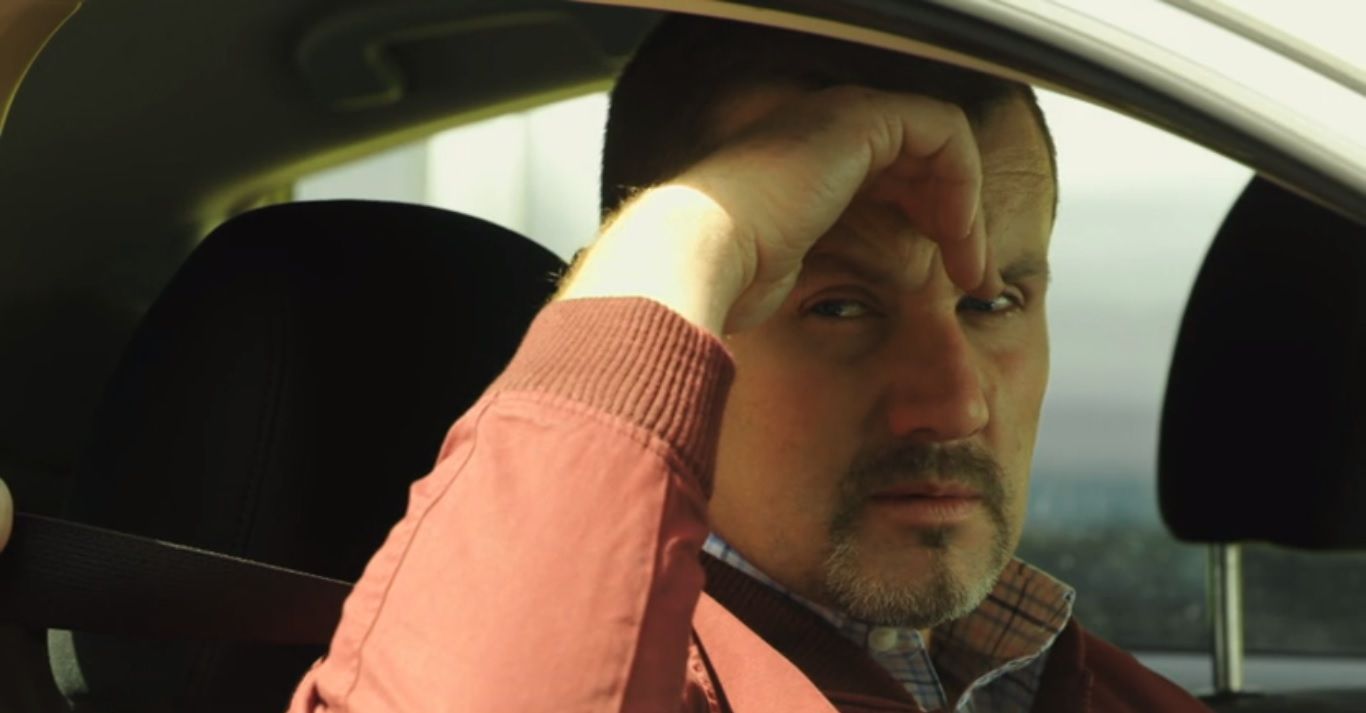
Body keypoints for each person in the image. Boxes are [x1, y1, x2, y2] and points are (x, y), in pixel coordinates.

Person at [0, 15, 1212, 713]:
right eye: (837, 303)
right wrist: (685, 235)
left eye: (996, 300)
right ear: (681, 319)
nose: (955, 396)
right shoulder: (636, 673)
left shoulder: (1071, 678)